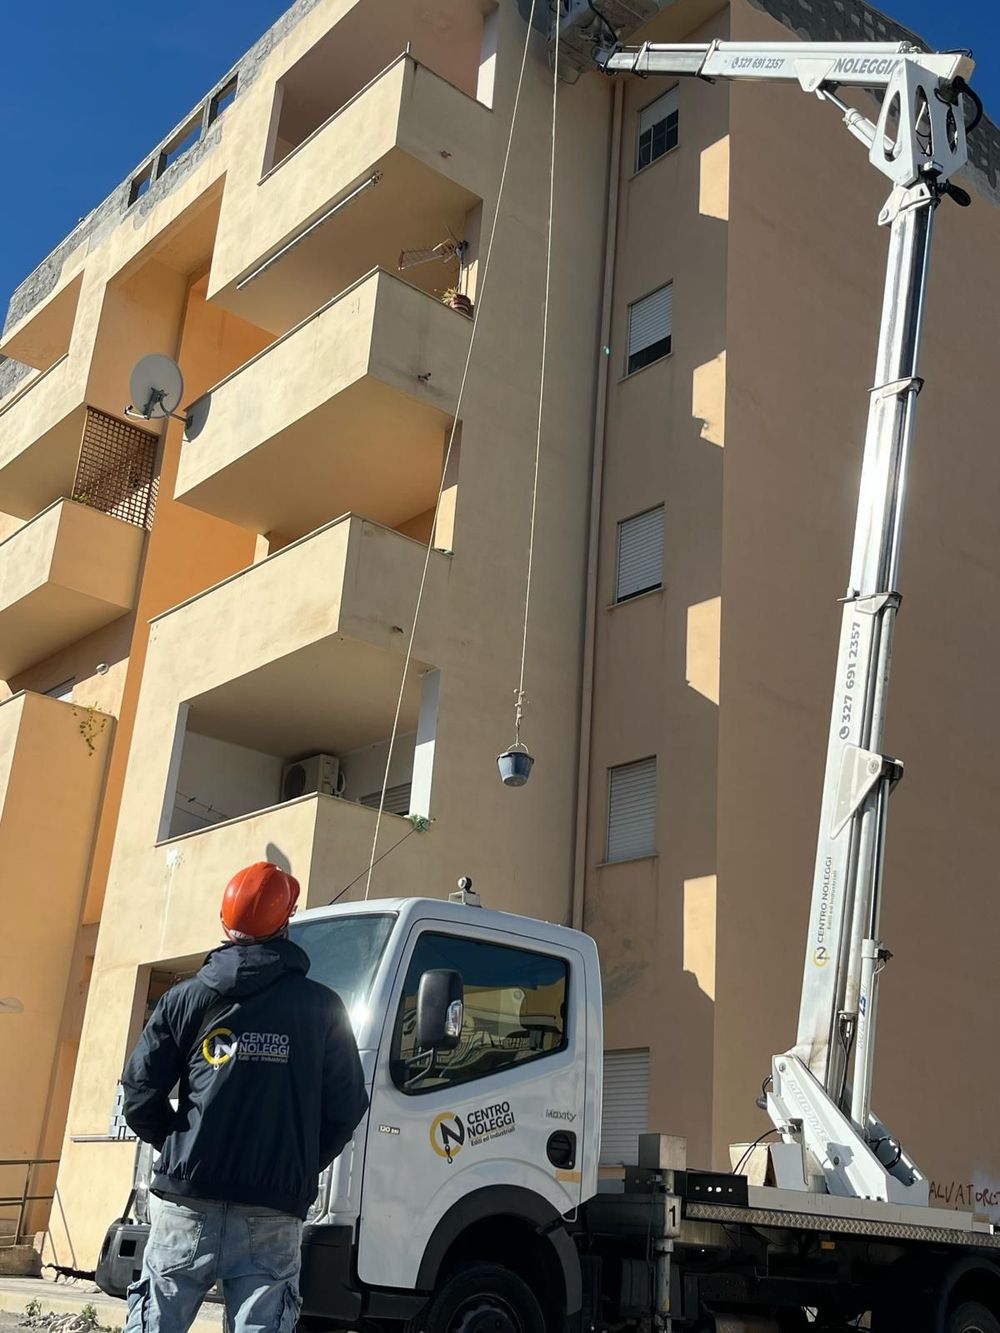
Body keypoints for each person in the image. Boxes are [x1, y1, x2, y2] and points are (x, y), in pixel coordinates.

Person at [120, 862, 368, 1333]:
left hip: (186, 1202)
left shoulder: (185, 999)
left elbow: (138, 1094)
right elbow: (348, 1106)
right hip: (273, 1209)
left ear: (223, 922)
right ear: (286, 921)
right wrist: (296, 1162)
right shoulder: (323, 1007)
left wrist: (179, 1146)